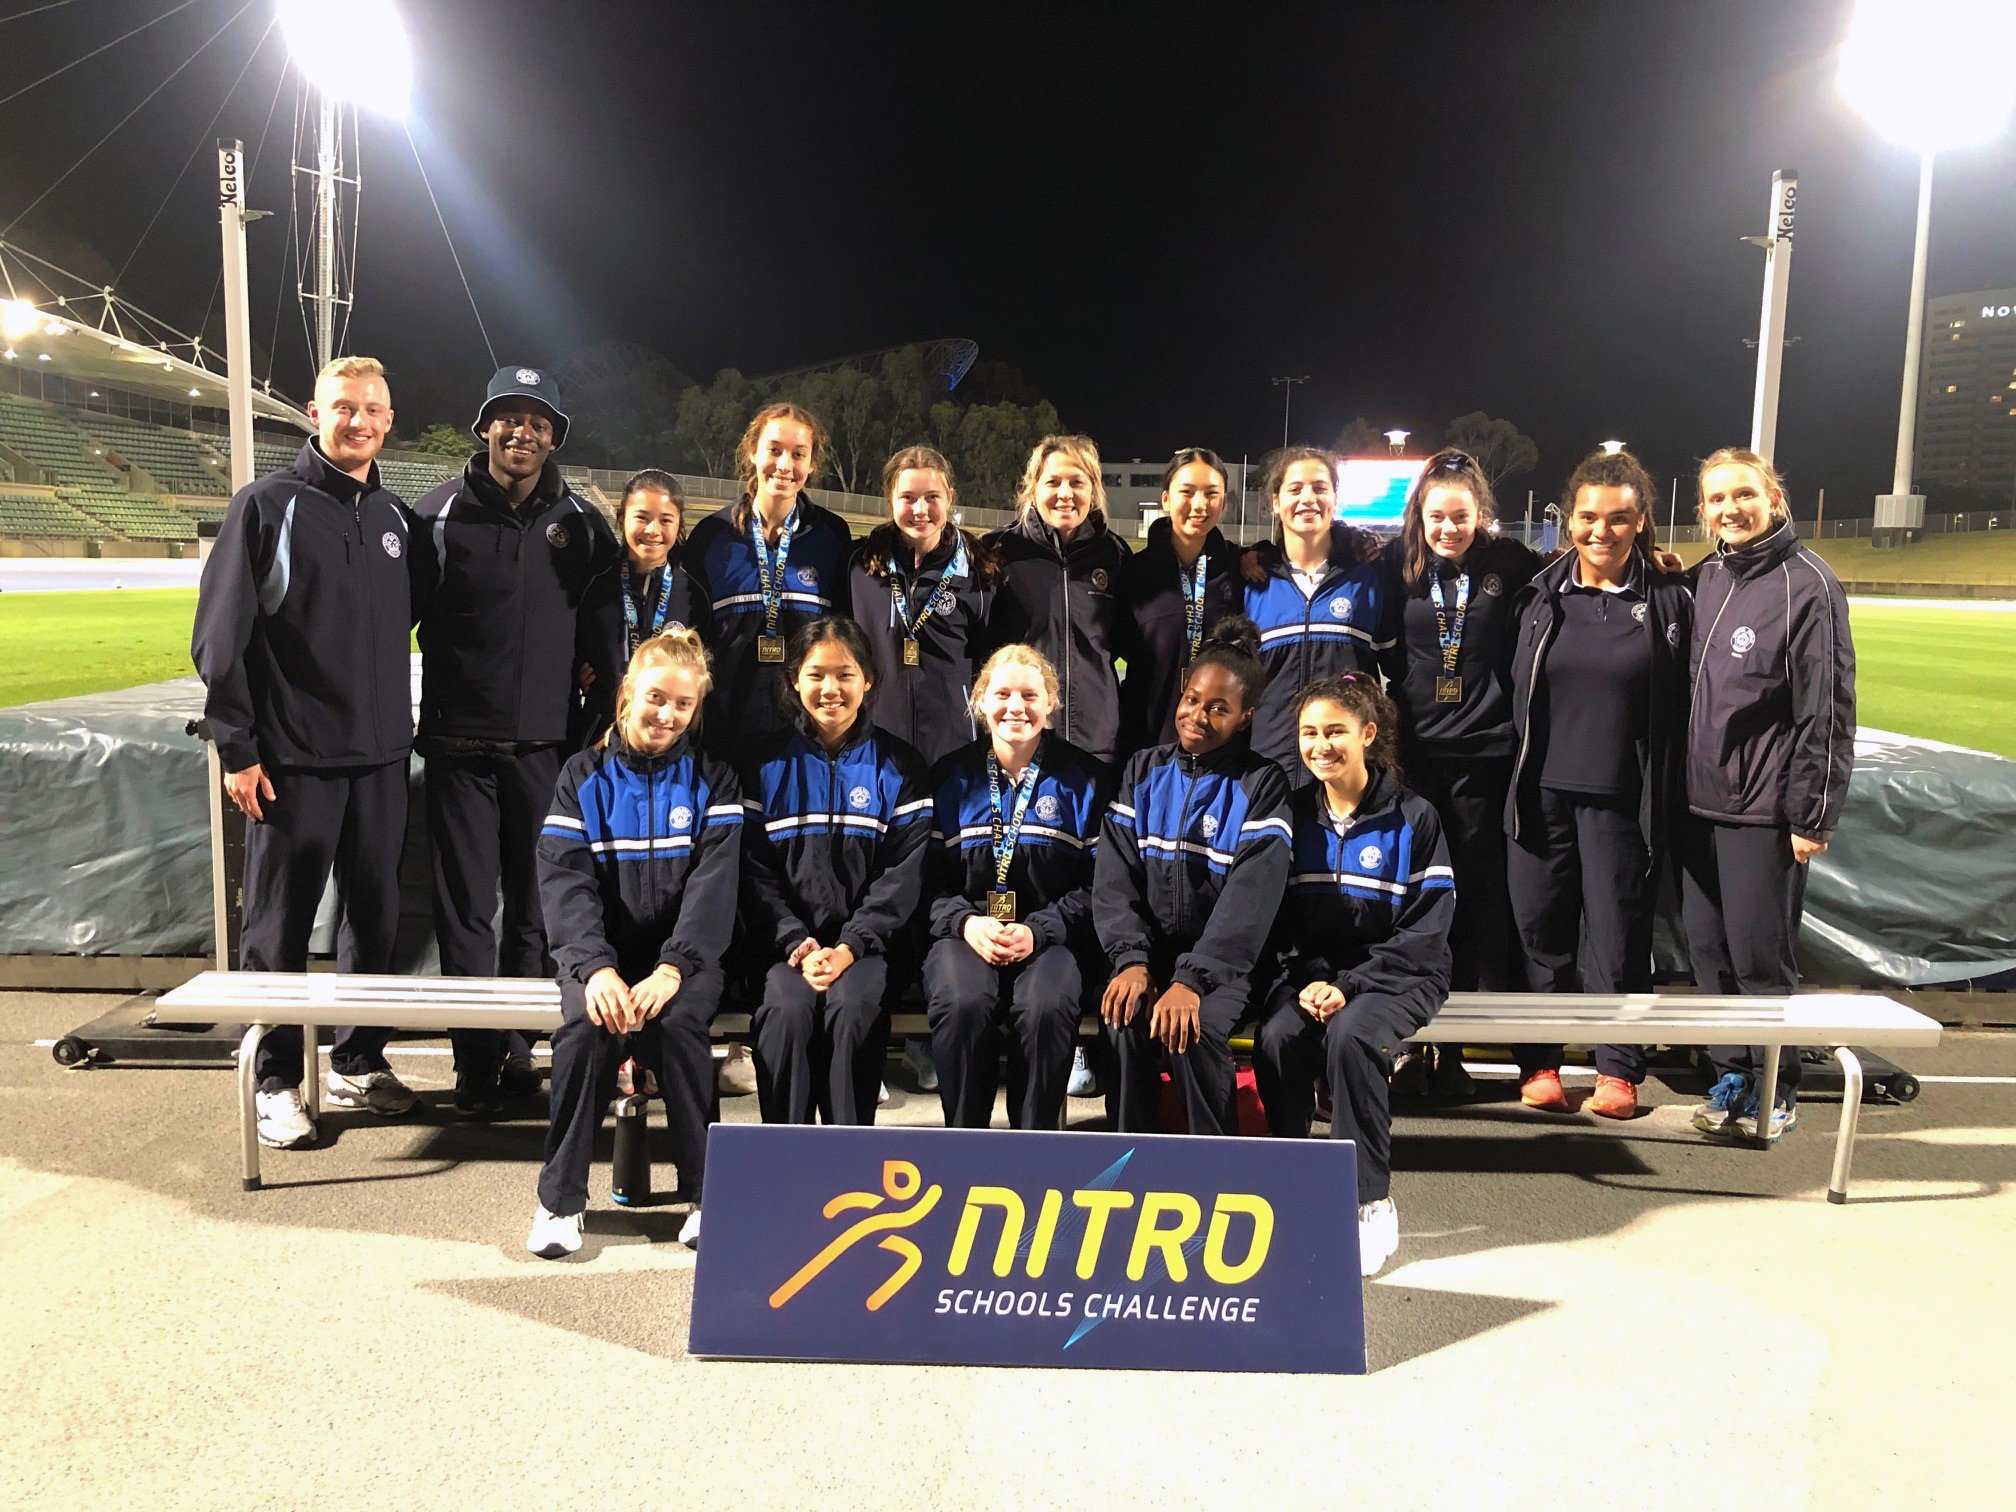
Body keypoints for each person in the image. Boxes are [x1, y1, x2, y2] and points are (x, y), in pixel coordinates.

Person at [192, 355, 430, 1147]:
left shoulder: (396, 518)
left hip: (381, 761)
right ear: (314, 412)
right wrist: (237, 747)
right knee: (279, 928)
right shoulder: (267, 505)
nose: (358, 421)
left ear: (389, 421)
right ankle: (273, 1081)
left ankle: (358, 1061)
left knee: (375, 920)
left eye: (372, 409)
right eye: (343, 407)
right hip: (293, 764)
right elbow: (220, 640)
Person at [413, 365, 618, 1116]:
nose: (522, 432)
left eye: (538, 421)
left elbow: (607, 648)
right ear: (485, 428)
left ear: (554, 437)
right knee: (467, 915)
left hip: (543, 755)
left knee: (535, 912)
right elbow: (387, 623)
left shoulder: (584, 525)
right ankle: (474, 1063)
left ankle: (520, 1049)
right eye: (509, 417)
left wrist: (587, 737)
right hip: (458, 749)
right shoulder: (435, 515)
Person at [527, 630, 740, 1258]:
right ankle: (560, 1203)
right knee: (585, 1032)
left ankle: (708, 1196)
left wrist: (673, 968)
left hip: (684, 963)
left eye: (682, 704)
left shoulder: (714, 778)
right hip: (602, 961)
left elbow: (713, 889)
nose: (666, 714)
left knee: (678, 1030)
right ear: (626, 693)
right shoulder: (581, 775)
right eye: (656, 698)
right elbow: (565, 883)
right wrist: (596, 969)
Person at [1505, 448, 1693, 1118]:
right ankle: (1541, 1062)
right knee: (1540, 932)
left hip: (1623, 800)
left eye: (1618, 518)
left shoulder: (1670, 598)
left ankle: (1618, 1069)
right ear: (1570, 519)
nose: (1601, 530)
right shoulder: (1538, 593)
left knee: (1618, 937)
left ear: (1641, 521)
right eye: (1588, 516)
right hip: (1539, 795)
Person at [1252, 674, 1455, 1277]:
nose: (1321, 746)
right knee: (1278, 1037)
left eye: (1335, 732)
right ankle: (1291, 1188)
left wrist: (1350, 986)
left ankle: (1368, 1201)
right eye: (1309, 733)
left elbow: (1425, 932)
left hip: (1399, 974)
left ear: (1367, 734)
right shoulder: (1291, 814)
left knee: (1352, 1037)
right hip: (1313, 977)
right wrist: (1312, 978)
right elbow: (1276, 919)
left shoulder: (1415, 817)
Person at [1681, 448, 1855, 1141]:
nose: (1731, 509)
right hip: (1697, 803)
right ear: (1703, 511)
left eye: (1744, 494)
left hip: (1762, 809)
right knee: (1709, 955)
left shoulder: (1809, 583)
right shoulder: (1707, 575)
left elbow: (1828, 709)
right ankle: (1731, 1075)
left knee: (1760, 959)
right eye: (1717, 499)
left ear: (1773, 498)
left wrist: (1813, 814)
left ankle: (1774, 1088)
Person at [1378, 450, 1542, 1097]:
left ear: (1482, 515)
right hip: (1414, 761)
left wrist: (1656, 561)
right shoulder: (1397, 566)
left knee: (1469, 905)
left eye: (1461, 517)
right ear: (1419, 516)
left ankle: (1451, 1051)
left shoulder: (1510, 563)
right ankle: (1406, 1046)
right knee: (1412, 902)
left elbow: (1577, 571)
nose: (1448, 529)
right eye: (1436, 517)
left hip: (1483, 759)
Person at [1094, 618, 1292, 1137]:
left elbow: (1250, 902)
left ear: (1245, 718)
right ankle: (1130, 1163)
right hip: (1151, 958)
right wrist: (1132, 961)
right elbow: (1114, 880)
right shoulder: (1143, 770)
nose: (1197, 716)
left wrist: (1192, 979)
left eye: (1219, 708)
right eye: (1192, 700)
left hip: (1228, 969)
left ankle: (1215, 1168)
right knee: (1123, 1017)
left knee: (1190, 1029)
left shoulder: (1262, 784)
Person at [740, 617, 931, 1125]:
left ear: (868, 680)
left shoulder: (902, 766)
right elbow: (753, 872)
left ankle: (848, 1158)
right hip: (784, 952)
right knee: (786, 1012)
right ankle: (786, 1154)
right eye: (816, 674)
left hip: (870, 952)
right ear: (793, 681)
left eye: (845, 675)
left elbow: (901, 877)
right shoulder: (761, 765)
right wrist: (793, 940)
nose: (831, 689)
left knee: (852, 1009)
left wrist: (850, 945)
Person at [923, 645, 1105, 1130]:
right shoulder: (948, 776)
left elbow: (1100, 886)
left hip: (1054, 940)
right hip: (964, 936)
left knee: (1047, 1008)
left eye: (1030, 695)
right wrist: (965, 922)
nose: (1016, 707)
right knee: (961, 1004)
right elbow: (925, 881)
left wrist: (1040, 930)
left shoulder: (1087, 780)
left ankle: (1035, 1149)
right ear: (981, 700)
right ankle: (965, 1145)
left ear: (1051, 703)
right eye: (1002, 694)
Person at [1213, 446, 1390, 783]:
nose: (1308, 498)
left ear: (1334, 499)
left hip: (1343, 777)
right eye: (1295, 489)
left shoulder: (1369, 578)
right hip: (1267, 773)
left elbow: (1399, 671)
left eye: (1320, 488)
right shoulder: (1249, 582)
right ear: (1275, 502)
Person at [686, 402, 853, 758]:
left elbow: (843, 634)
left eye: (798, 454)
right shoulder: (712, 535)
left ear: (812, 463)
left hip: (805, 738)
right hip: (722, 735)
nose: (784, 465)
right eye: (774, 450)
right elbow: (688, 633)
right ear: (753, 452)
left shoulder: (832, 536)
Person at [984, 435, 1131, 765]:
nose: (1065, 494)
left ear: (1093, 490)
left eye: (1077, 482)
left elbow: (1126, 643)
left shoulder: (1115, 555)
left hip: (1095, 740)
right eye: (1053, 482)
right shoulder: (996, 552)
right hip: (1019, 738)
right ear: (1033, 488)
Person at [849, 444, 999, 765]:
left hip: (954, 750)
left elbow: (990, 666)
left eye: (932, 497)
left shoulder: (979, 570)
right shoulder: (859, 566)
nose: (920, 510)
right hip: (875, 748)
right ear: (890, 498)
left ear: (949, 498)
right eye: (908, 497)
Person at [1117, 446, 1246, 753]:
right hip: (1147, 740)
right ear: (1166, 499)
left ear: (1224, 502)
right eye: (1186, 492)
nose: (1199, 505)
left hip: (1217, 742)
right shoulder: (1134, 571)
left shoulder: (1237, 569)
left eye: (1211, 494)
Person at [573, 470, 710, 749]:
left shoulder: (695, 589)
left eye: (665, 520)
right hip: (602, 733)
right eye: (642, 517)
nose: (652, 530)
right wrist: (575, 669)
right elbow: (570, 638)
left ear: (679, 524)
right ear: (621, 518)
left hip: (668, 731)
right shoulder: (594, 580)